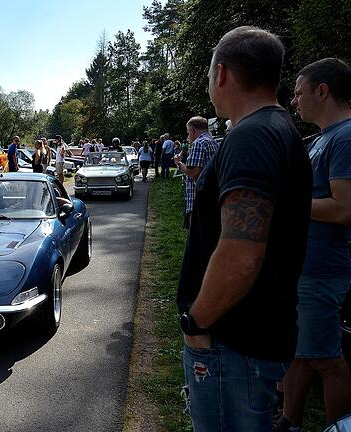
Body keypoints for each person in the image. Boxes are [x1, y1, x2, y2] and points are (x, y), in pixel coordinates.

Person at [176, 26, 312, 431]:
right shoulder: (278, 129)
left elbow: (241, 254)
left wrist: (196, 322)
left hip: (231, 343)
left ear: (221, 74)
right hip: (252, 338)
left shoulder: (251, 136)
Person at [279, 58, 351, 431]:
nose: (294, 101)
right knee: (301, 351)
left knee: (327, 359)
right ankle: (288, 421)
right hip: (306, 265)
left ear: (322, 91)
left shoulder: (346, 136)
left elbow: (344, 209)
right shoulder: (324, 138)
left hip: (322, 269)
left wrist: (285, 202)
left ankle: (337, 427)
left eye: (298, 92)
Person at [175, 116, 219, 229]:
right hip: (211, 195)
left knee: (196, 235)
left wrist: (179, 163)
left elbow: (193, 173)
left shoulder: (198, 143)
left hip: (197, 197)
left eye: (188, 132)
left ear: (193, 130)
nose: (188, 135)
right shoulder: (213, 142)